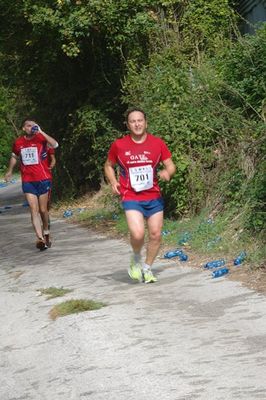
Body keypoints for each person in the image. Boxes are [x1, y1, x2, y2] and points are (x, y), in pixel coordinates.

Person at [104, 107, 176, 283]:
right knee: (137, 234)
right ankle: (136, 258)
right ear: (128, 125)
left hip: (153, 196)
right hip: (131, 196)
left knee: (156, 234)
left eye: (140, 120)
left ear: (146, 122)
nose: (137, 124)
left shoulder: (157, 143)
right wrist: (113, 181)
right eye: (133, 121)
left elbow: (171, 165)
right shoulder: (119, 145)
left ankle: (147, 268)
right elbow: (108, 165)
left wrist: (168, 173)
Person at [5, 119, 59, 251]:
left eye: (34, 126)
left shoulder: (41, 138)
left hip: (43, 178)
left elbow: (55, 145)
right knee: (33, 209)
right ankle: (40, 238)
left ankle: (46, 233)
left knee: (43, 210)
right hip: (28, 180)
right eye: (28, 126)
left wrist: (41, 131)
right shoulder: (18, 142)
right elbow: (14, 156)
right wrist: (10, 170)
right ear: (23, 128)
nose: (31, 128)